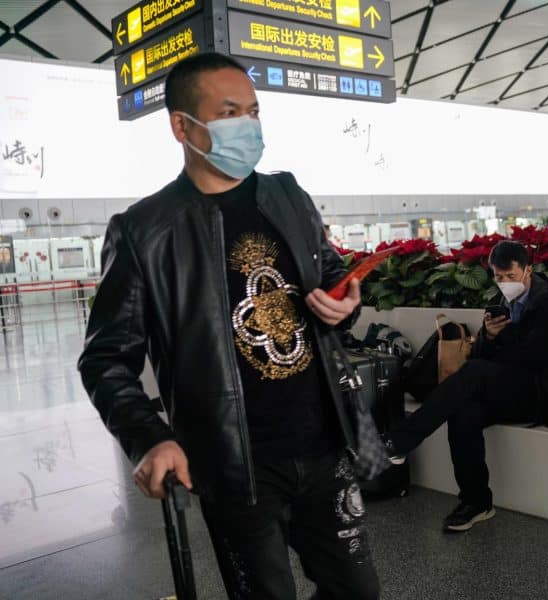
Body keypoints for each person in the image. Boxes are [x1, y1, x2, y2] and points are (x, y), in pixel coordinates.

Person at [77, 52, 380, 599]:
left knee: (358, 591)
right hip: (235, 466)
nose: (249, 124)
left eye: (254, 110)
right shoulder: (146, 232)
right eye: (230, 111)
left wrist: (346, 301)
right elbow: (105, 359)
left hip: (322, 444)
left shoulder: (287, 195)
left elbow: (330, 272)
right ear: (182, 126)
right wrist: (149, 438)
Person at [384, 240, 548, 532]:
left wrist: (500, 339)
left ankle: (401, 440)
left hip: (547, 395)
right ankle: (476, 501)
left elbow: (534, 359)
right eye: (498, 277)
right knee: (464, 409)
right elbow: (485, 357)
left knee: (476, 373)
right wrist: (489, 337)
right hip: (512, 390)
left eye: (510, 276)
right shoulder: (504, 305)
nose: (504, 283)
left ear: (528, 270)